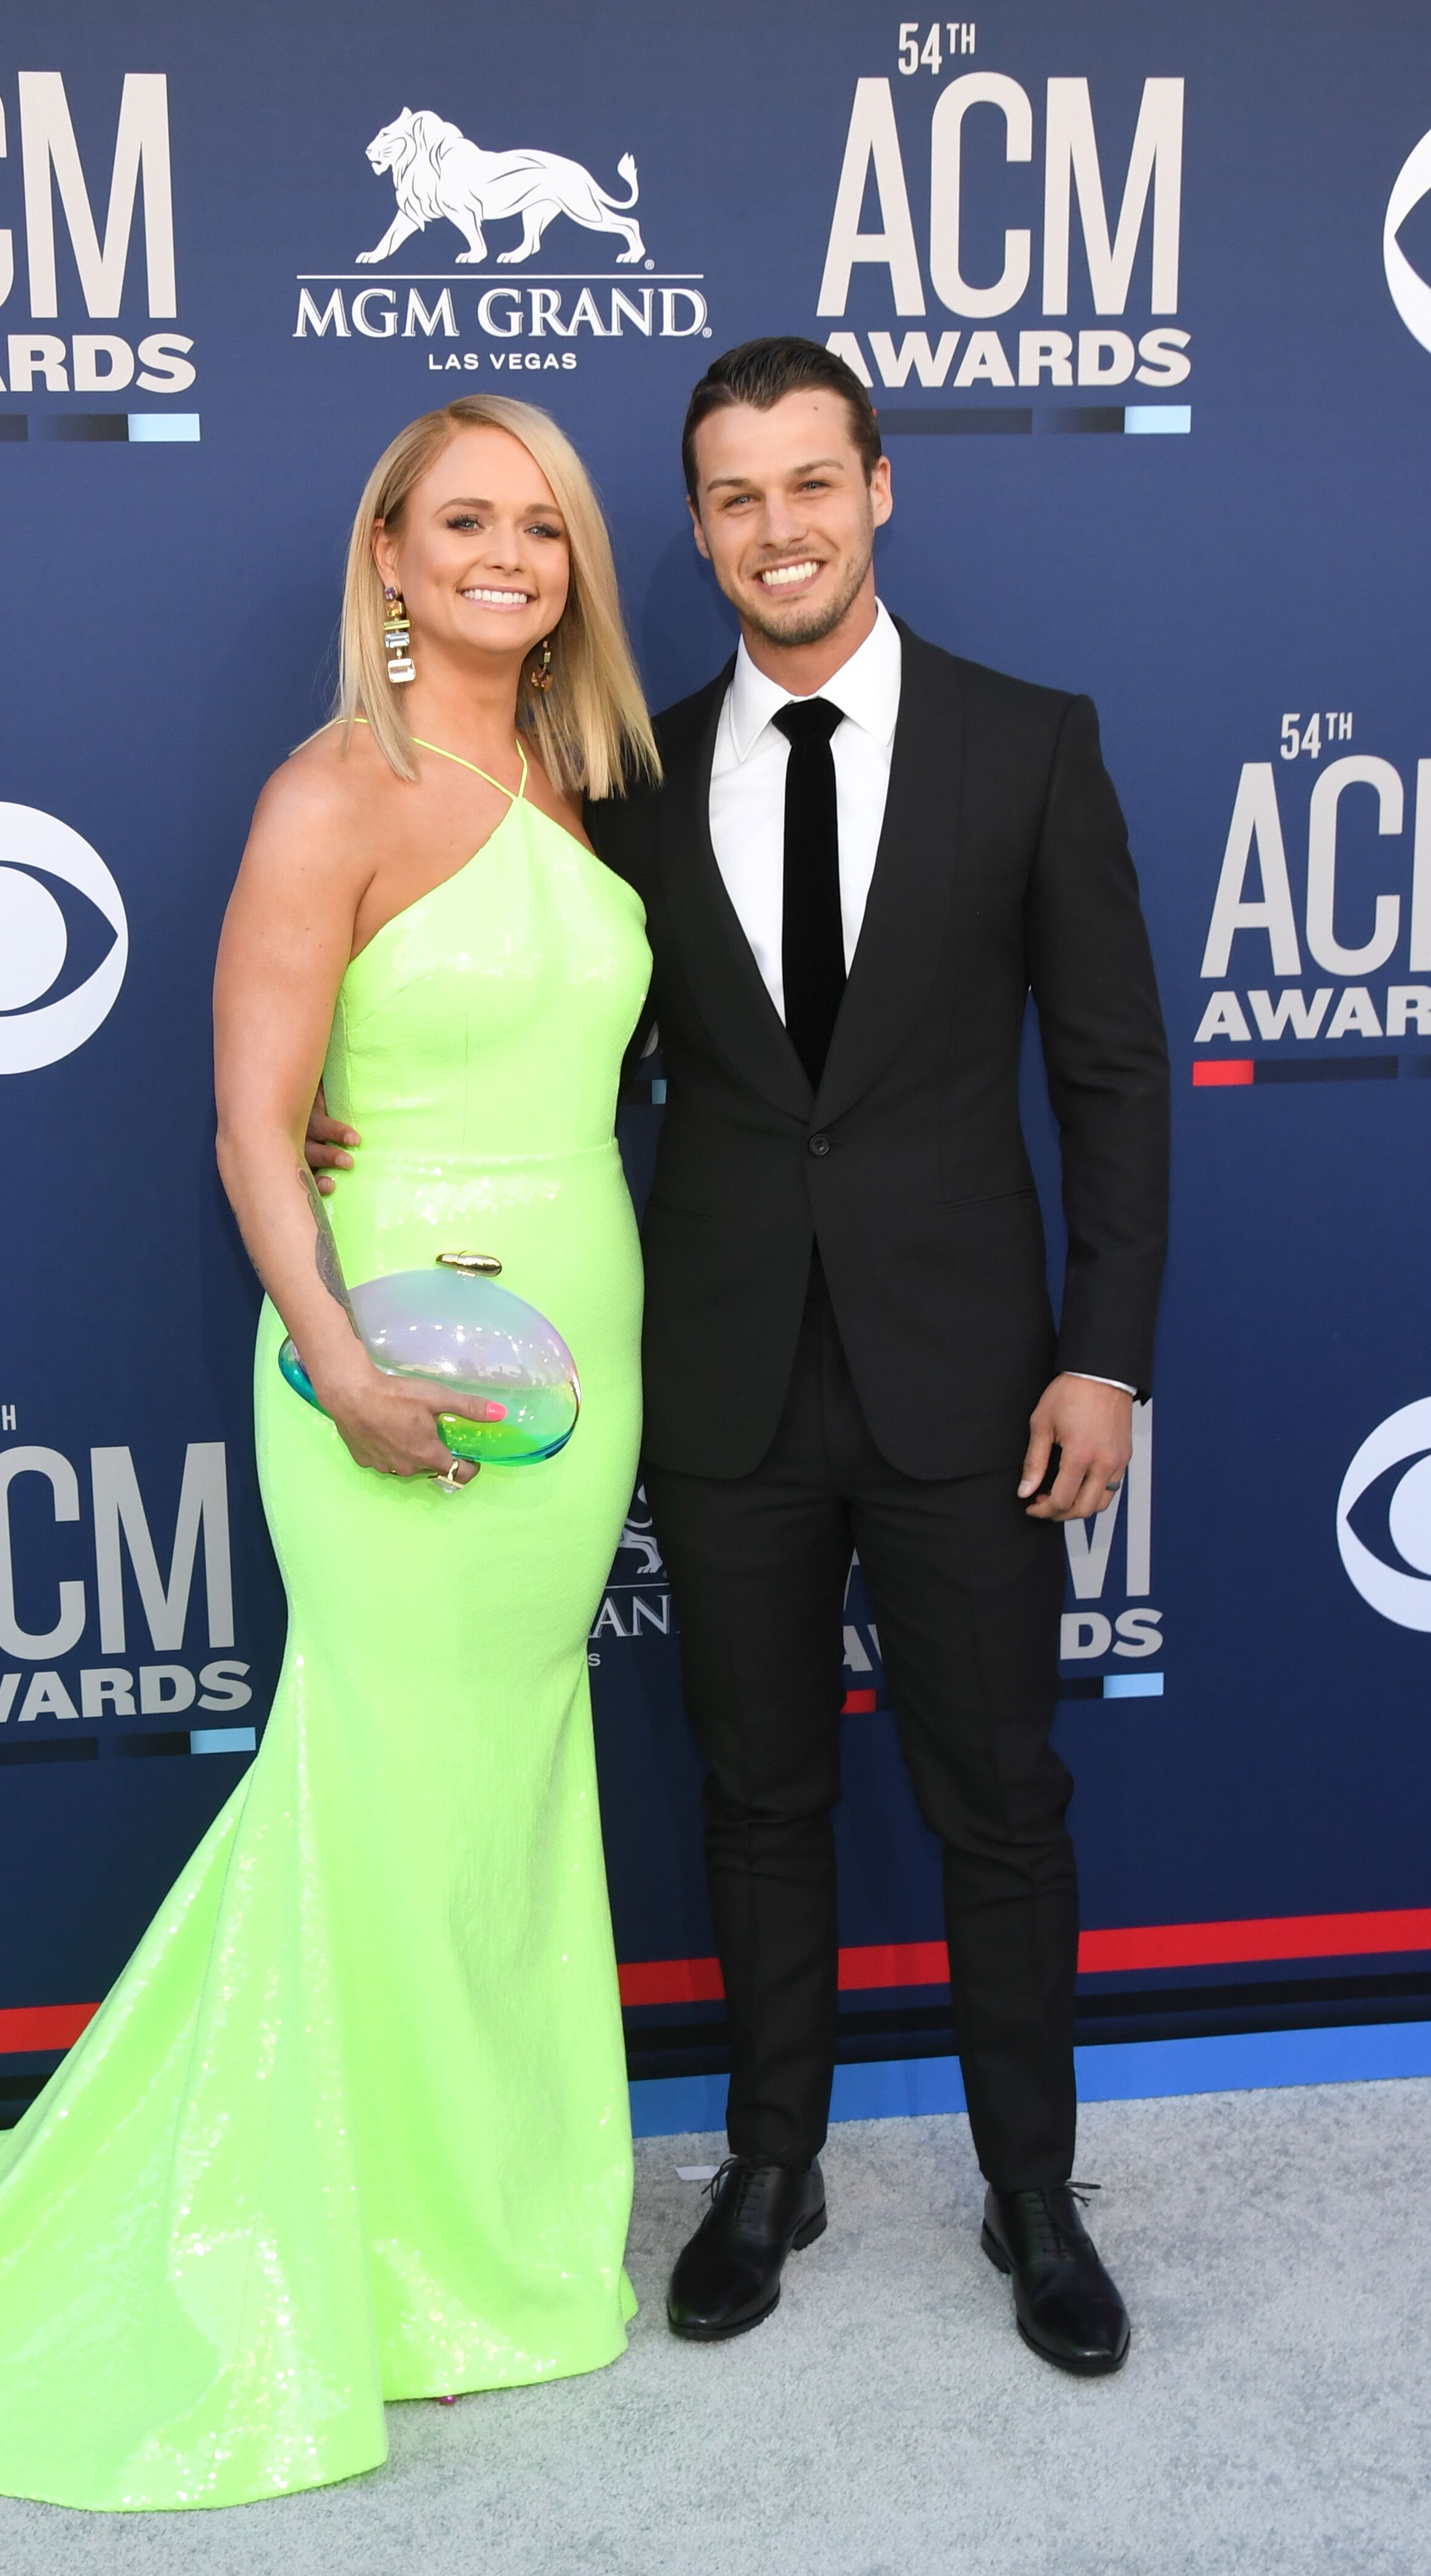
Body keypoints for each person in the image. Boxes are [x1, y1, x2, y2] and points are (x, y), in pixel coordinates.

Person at [0, 395, 660, 2509]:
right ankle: (344, 2236)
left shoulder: (591, 777)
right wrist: (337, 1354)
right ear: (387, 553)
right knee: (370, 1773)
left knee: (508, 1779)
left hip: (579, 1366)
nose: (507, 558)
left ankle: (485, 2231)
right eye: (464, 522)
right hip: (384, 1358)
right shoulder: (326, 797)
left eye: (541, 527)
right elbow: (257, 1122)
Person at [585, 337, 1171, 2375]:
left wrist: (1105, 1355)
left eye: (810, 485)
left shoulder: (1030, 743)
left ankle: (1032, 2192)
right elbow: (543, 1039)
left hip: (972, 1378)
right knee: (756, 1798)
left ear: (880, 488)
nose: (779, 530)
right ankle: (774, 2163)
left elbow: (1111, 1076)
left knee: (1002, 1800)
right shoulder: (631, 779)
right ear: (701, 525)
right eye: (736, 498)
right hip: (727, 1377)